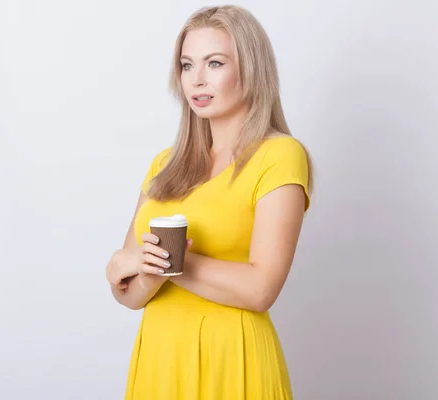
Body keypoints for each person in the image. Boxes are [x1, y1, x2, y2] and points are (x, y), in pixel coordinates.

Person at [105, 5, 313, 399]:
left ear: (251, 69)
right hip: (160, 360)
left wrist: (161, 261)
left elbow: (260, 289)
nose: (196, 79)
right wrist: (145, 273)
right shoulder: (165, 165)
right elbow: (130, 294)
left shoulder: (280, 156)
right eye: (186, 66)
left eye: (214, 63)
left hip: (231, 358)